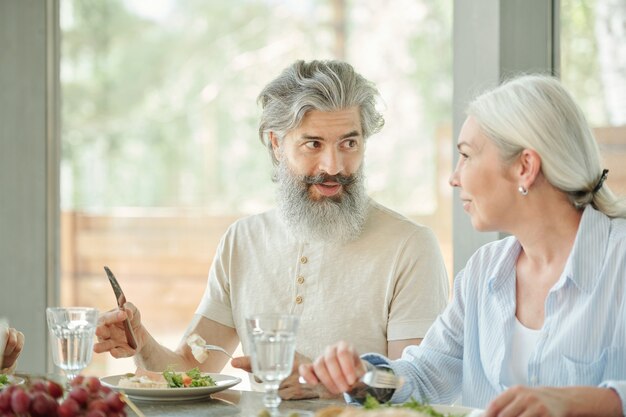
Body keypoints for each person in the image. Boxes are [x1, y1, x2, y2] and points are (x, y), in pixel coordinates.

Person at [94, 59, 449, 399]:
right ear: (277, 144)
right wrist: (142, 343)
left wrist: (332, 387)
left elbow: (414, 386)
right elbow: (189, 371)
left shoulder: (411, 246)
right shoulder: (242, 240)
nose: (334, 165)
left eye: (349, 143)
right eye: (314, 144)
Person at [300, 74, 626, 416]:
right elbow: (427, 374)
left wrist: (593, 402)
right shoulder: (485, 270)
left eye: (467, 156)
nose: (454, 178)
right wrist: (365, 378)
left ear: (525, 167)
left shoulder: (618, 261)